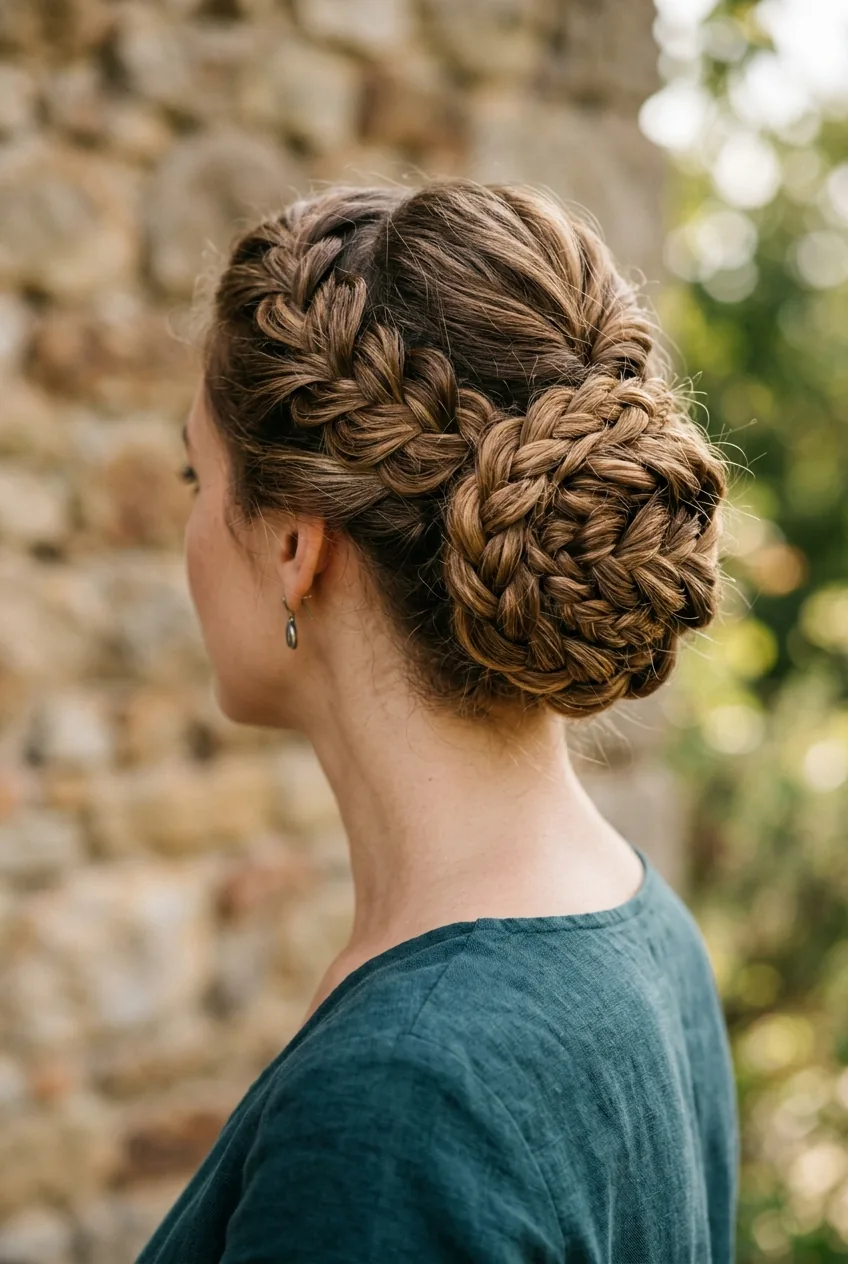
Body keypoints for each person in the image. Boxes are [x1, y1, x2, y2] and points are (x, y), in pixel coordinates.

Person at [136, 180, 739, 1263]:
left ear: (292, 547)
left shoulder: (391, 1115)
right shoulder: (643, 929)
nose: (185, 525)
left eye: (197, 472)